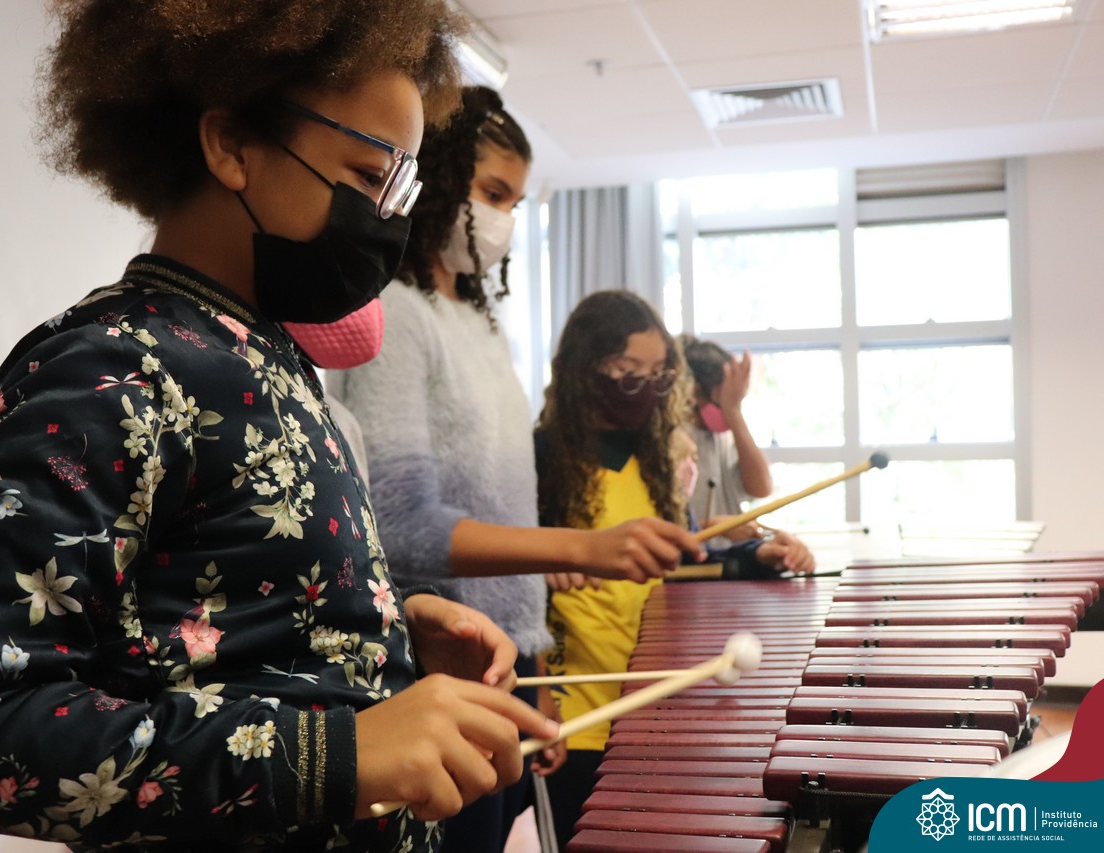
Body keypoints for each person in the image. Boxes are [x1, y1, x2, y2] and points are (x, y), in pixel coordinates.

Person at [0, 4, 561, 852]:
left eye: (402, 191)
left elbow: (219, 626)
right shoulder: (112, 369)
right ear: (233, 145)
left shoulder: (276, 362)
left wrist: (386, 642)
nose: (390, 220)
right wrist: (331, 753)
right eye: (370, 175)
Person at [327, 87, 704, 852]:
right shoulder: (398, 314)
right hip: (443, 659)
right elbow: (398, 523)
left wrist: (538, 674)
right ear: (437, 181)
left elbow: (502, 503)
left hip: (511, 658)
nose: (503, 219)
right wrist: (581, 546)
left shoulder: (478, 321)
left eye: (516, 202)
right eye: (493, 193)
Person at [535, 291, 808, 845]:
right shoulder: (541, 459)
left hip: (656, 700)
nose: (644, 386)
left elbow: (687, 558)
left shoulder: (657, 459)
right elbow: (505, 578)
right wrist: (542, 567)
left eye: (658, 374)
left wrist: (756, 558)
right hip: (575, 708)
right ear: (585, 368)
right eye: (626, 371)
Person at [678, 335, 773, 536]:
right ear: (694, 392)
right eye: (724, 398)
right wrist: (711, 527)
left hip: (733, 552)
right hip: (696, 552)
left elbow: (761, 487)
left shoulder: (725, 435)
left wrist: (734, 412)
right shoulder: (675, 442)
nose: (730, 405)